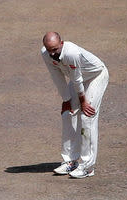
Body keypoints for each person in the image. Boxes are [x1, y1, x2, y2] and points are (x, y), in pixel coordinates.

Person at [41, 32, 109, 178]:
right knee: (67, 114)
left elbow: (77, 79)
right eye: (49, 50)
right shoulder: (45, 54)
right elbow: (56, 76)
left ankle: (88, 167)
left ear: (61, 43)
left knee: (87, 117)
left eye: (55, 49)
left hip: (96, 76)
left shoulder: (71, 53)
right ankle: (70, 161)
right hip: (78, 80)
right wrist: (66, 100)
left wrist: (83, 101)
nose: (52, 53)